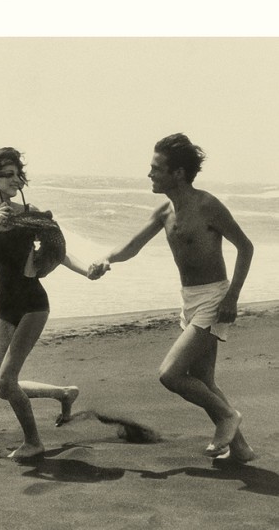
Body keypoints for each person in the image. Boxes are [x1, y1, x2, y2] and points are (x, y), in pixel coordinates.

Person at [88, 134, 255, 461]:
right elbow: (132, 245)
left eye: (156, 168)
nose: (149, 174)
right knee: (203, 380)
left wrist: (232, 297)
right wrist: (107, 259)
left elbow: (245, 247)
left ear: (178, 173)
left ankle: (228, 416)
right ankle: (241, 449)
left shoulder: (207, 205)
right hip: (189, 299)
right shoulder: (165, 211)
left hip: (214, 297)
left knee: (171, 374)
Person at [0, 147, 93, 461]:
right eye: (8, 174)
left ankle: (34, 442)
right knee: (3, 387)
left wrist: (87, 271)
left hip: (32, 303)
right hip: (3, 304)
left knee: (6, 380)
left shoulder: (29, 212)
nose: (17, 180)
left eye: (18, 174)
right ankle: (64, 393)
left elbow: (58, 251)